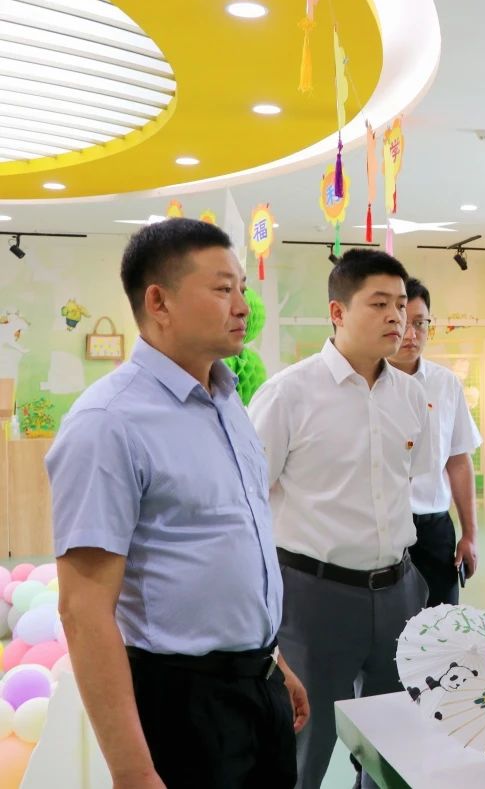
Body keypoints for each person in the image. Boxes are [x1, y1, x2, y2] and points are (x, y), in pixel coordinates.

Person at [48, 219, 309, 789]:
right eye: (222, 289)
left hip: (258, 684)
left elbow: (236, 546)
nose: (242, 306)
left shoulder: (227, 401)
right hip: (182, 701)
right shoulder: (108, 423)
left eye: (243, 288)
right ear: (159, 302)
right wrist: (133, 771)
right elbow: (83, 609)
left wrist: (273, 661)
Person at [249, 249, 431, 789]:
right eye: (379, 304)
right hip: (314, 598)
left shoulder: (411, 396)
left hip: (397, 591)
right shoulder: (288, 394)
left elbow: (409, 484)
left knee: (392, 738)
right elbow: (247, 502)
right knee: (305, 740)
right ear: (337, 312)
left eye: (401, 304)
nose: (396, 317)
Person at [387, 278, 482, 607]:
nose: (411, 335)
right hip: (382, 529)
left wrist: (470, 534)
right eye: (404, 323)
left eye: (420, 323)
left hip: (434, 528)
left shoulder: (446, 384)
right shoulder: (364, 384)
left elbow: (458, 461)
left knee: (441, 622)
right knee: (389, 623)